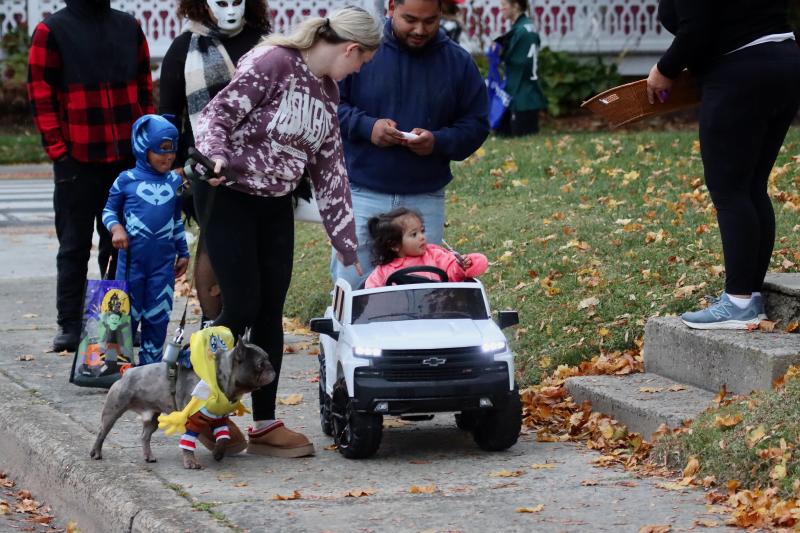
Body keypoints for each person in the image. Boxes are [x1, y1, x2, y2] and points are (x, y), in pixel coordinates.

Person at [194, 7, 382, 457]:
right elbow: (216, 115)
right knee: (240, 303)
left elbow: (330, 169)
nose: (358, 71)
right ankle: (202, 409)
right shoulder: (273, 62)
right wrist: (216, 156)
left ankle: (263, 423)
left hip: (275, 200)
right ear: (352, 49)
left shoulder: (328, 91)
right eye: (362, 62)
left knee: (269, 309)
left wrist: (345, 240)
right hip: (230, 192)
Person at [645, 1, 800, 330]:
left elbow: (696, 27)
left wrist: (665, 69)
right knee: (751, 186)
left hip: (740, 72)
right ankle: (749, 296)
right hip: (784, 59)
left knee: (730, 190)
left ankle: (739, 301)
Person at [332, 0, 490, 289]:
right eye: (410, 19)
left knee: (423, 290)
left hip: (424, 196)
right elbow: (331, 105)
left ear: (441, 13)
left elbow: (477, 124)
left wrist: (438, 142)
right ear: (391, 8)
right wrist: (368, 127)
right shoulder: (362, 51)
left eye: (430, 21)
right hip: (363, 192)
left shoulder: (457, 62)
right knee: (354, 286)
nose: (420, 29)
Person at [27, 0, 154, 352]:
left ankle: (115, 324)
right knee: (73, 246)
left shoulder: (128, 28)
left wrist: (146, 143)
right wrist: (59, 152)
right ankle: (69, 325)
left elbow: (144, 89)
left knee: (120, 246)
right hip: (77, 160)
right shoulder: (51, 32)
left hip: (125, 160)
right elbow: (41, 96)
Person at [159, 0, 272, 327]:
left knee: (256, 247)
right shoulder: (184, 48)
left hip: (262, 167)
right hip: (206, 168)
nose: (229, 8)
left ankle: (251, 320)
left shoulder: (266, 44)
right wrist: (174, 163)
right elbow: (169, 115)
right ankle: (215, 323)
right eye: (220, 1)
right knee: (214, 241)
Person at [102, 115, 190, 364]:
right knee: (125, 317)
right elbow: (108, 211)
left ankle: (149, 369)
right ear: (143, 147)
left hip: (163, 267)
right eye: (161, 151)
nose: (169, 157)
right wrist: (117, 229)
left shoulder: (173, 182)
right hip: (131, 266)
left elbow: (175, 220)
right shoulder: (126, 180)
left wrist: (183, 252)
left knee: (158, 316)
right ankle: (116, 367)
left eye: (173, 150)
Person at [365, 207, 488, 288]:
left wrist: (462, 265)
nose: (422, 237)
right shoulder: (383, 271)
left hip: (438, 312)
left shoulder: (435, 256)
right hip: (400, 320)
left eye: (422, 231)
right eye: (414, 234)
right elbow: (371, 296)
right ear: (394, 245)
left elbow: (452, 270)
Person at [493, 0, 546, 136]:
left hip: (521, 95)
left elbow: (516, 61)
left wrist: (499, 52)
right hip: (521, 93)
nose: (501, 9)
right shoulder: (524, 27)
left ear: (516, 5)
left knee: (517, 138)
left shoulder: (523, 30)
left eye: (504, 5)